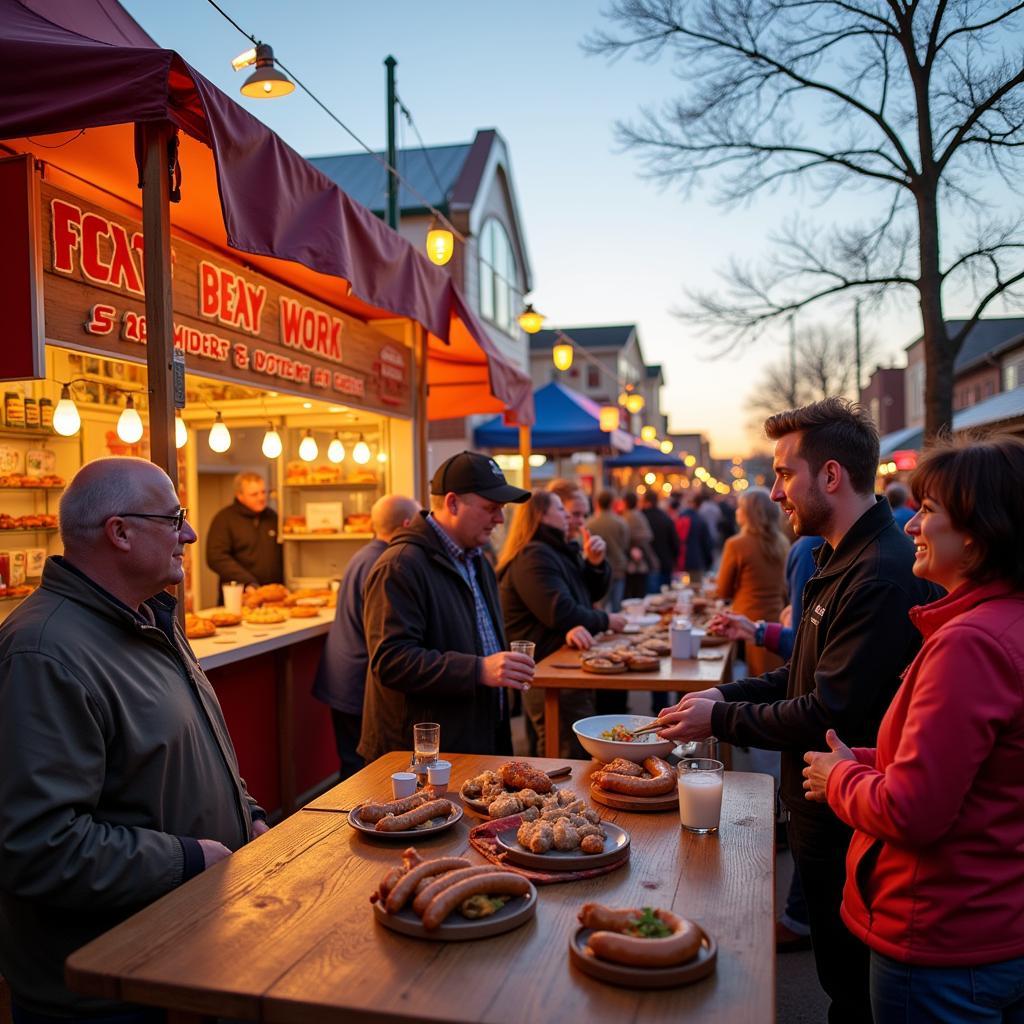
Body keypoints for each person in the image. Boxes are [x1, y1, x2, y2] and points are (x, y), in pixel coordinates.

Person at [656, 398, 938, 1024]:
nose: (776, 490)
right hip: (823, 810)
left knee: (851, 993)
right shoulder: (840, 557)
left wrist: (719, 720)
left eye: (786, 473)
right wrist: (722, 696)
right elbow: (803, 675)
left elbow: (825, 711)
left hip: (850, 818)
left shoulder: (880, 574)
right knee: (841, 979)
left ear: (831, 476)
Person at [0, 457, 267, 1022]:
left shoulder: (149, 618)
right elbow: (37, 845)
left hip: (175, 958)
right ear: (119, 532)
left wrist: (248, 817)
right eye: (174, 519)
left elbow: (191, 748)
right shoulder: (43, 653)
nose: (189, 534)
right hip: (103, 989)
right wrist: (189, 859)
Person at [803, 435, 1024, 1024]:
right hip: (990, 921)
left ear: (977, 532)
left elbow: (913, 811)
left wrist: (840, 778)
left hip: (939, 933)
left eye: (928, 512)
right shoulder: (1001, 624)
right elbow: (982, 769)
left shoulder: (971, 643)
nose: (911, 527)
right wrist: (873, 758)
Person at [358, 452, 532, 762]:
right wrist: (478, 669)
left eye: (502, 509)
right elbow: (391, 660)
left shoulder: (476, 560)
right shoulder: (400, 565)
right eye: (491, 508)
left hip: (474, 739)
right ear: (452, 503)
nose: (500, 519)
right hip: (419, 757)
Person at [498, 490, 628, 757]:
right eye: (560, 509)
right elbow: (562, 612)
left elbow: (587, 595)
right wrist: (606, 619)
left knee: (573, 747)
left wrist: (595, 563)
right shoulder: (534, 555)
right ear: (539, 515)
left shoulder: (557, 549)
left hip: (563, 664)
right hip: (548, 668)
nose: (568, 515)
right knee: (566, 751)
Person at [311, 494, 420, 780]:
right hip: (357, 682)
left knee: (352, 766)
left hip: (344, 676)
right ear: (406, 524)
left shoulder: (365, 554)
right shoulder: (386, 563)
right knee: (360, 774)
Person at [715, 487, 790, 677]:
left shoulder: (736, 544)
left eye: (740, 508)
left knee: (756, 683)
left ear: (749, 513)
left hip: (746, 622)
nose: (736, 512)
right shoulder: (782, 542)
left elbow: (723, 591)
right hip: (777, 618)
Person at [206, 471, 283, 598]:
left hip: (272, 595)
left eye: (264, 492)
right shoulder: (224, 519)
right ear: (239, 495)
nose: (261, 497)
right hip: (239, 595)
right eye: (254, 494)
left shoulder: (273, 517)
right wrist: (247, 582)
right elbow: (216, 557)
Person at [586, 489, 630, 612]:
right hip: (618, 566)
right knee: (617, 605)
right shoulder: (621, 522)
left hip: (598, 569)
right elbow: (625, 545)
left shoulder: (590, 523)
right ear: (612, 503)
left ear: (597, 503)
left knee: (600, 604)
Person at [641, 489, 679, 591]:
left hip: (647, 565)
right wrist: (673, 560)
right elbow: (675, 543)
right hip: (665, 563)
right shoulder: (665, 518)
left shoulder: (642, 517)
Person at [622, 491, 655, 598]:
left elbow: (626, 539)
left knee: (633, 595)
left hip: (634, 562)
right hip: (642, 560)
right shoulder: (639, 515)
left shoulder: (628, 517)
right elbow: (649, 535)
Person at [679, 492, 714, 584]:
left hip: (680, 559)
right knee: (695, 587)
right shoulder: (700, 520)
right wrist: (709, 561)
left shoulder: (680, 517)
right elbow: (706, 543)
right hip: (696, 559)